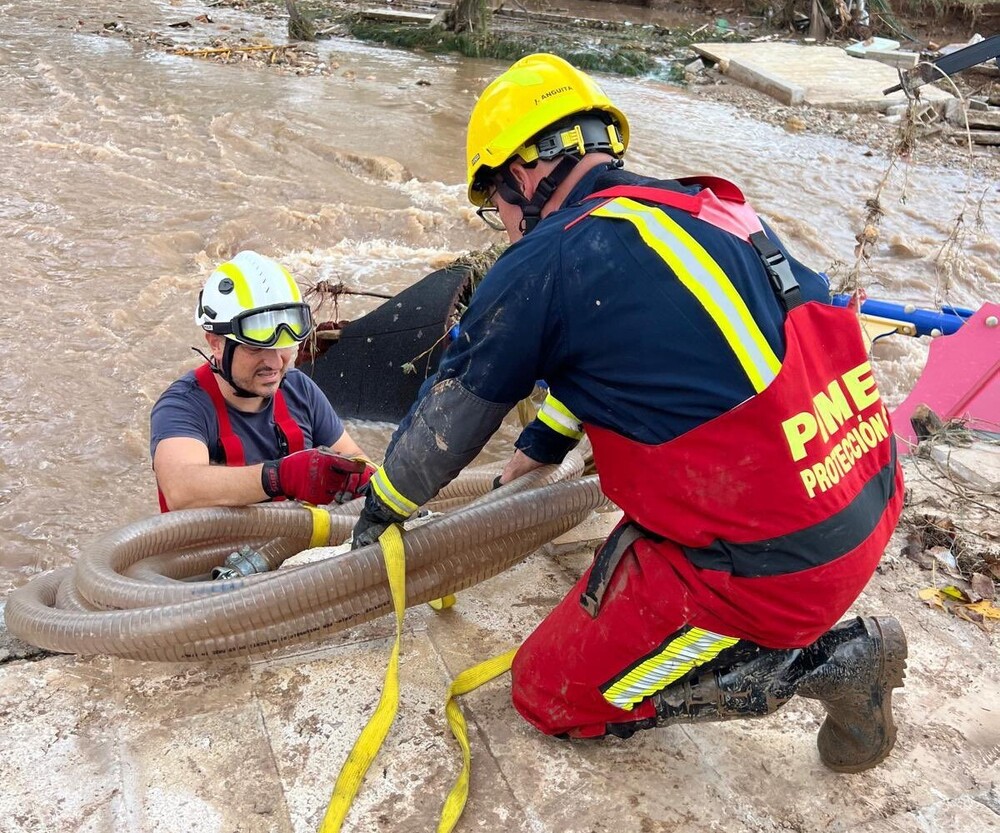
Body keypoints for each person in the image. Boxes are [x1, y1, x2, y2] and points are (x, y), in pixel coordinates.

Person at [351, 54, 906, 772]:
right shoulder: (707, 208)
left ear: (523, 175)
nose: (505, 225)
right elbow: (638, 352)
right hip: (867, 493)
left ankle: (828, 663)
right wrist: (543, 446)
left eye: (496, 203)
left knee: (546, 691)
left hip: (775, 566)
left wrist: (381, 510)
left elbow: (446, 422)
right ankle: (772, 621)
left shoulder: (547, 258)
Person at [151, 250, 374, 511]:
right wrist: (279, 477)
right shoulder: (182, 406)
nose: (275, 363)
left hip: (293, 544)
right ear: (216, 343)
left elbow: (359, 462)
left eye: (284, 346)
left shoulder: (300, 390)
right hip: (215, 550)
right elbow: (181, 489)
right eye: (255, 348)